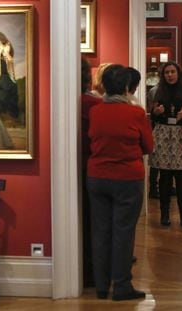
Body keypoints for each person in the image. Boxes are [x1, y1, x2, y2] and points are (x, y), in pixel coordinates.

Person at [87, 64, 153, 301]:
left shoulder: (95, 111)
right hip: (127, 178)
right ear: (126, 87)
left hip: (97, 176)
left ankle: (101, 286)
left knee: (100, 231)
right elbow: (149, 146)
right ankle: (122, 286)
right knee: (123, 232)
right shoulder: (136, 113)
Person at [149, 61, 182, 227]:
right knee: (164, 177)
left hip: (180, 136)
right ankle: (164, 214)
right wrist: (156, 113)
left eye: (172, 72)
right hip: (163, 134)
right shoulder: (158, 92)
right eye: (167, 73)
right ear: (163, 75)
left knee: (181, 177)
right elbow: (153, 118)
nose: (170, 75)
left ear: (178, 73)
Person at [80, 57, 103, 287]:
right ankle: (93, 273)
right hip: (92, 168)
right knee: (93, 222)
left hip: (76, 168)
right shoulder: (93, 105)